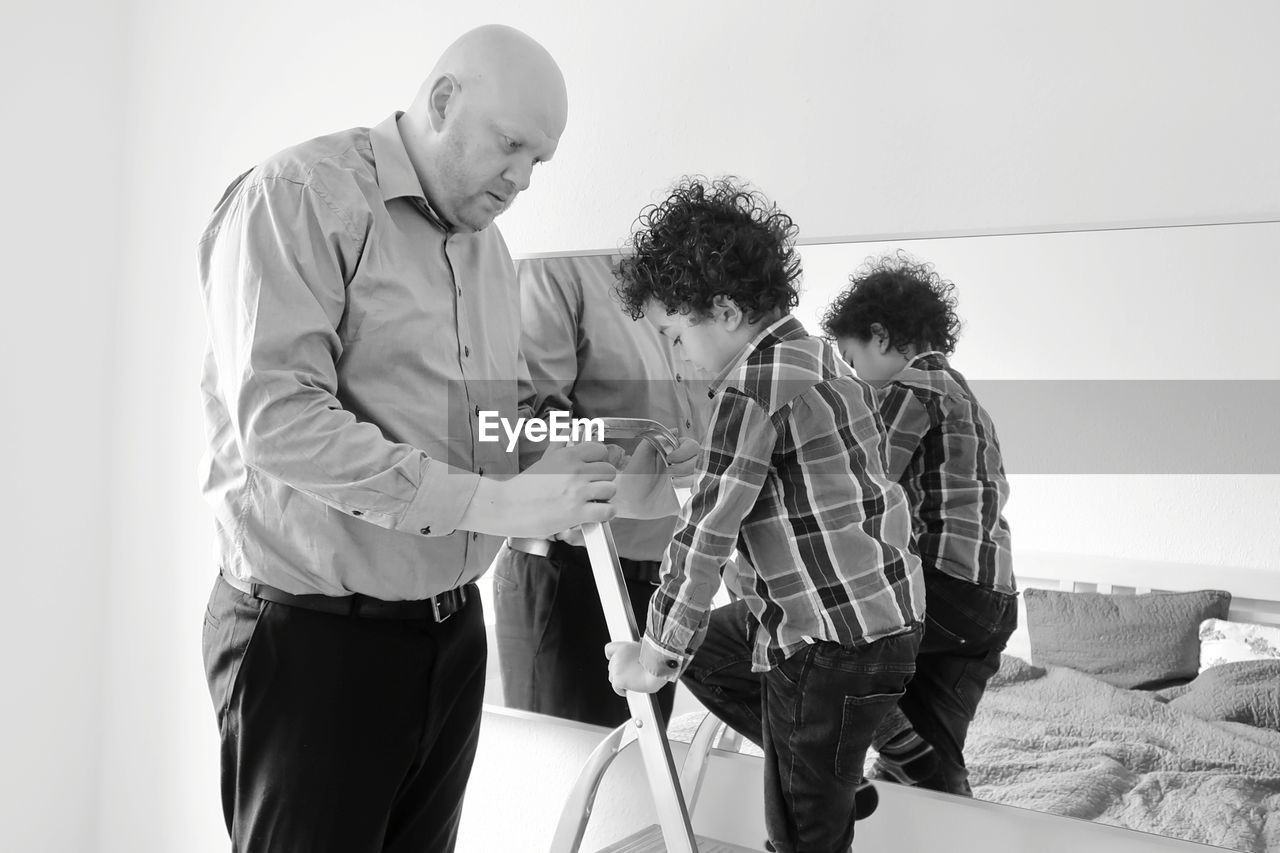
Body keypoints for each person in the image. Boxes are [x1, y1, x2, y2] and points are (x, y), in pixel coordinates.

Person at [197, 25, 620, 853]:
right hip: (314, 640)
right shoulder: (299, 194)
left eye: (541, 161)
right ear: (442, 100)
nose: (524, 179)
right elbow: (280, 422)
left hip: (451, 636)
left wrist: (569, 450)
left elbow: (482, 428)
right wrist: (494, 498)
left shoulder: (492, 253)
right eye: (512, 146)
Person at [604, 177, 925, 853]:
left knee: (799, 837)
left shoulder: (750, 390)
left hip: (829, 643)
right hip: (885, 623)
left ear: (722, 310)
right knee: (719, 653)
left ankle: (822, 780)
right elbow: (797, 483)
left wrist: (655, 653)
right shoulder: (819, 357)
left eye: (676, 333)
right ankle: (831, 771)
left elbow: (706, 535)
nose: (678, 353)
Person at [821, 252, 1017, 796]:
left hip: (946, 586)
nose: (852, 374)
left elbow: (860, 480)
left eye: (851, 359)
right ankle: (917, 770)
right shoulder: (961, 392)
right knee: (934, 770)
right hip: (991, 604)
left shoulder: (913, 386)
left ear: (880, 337)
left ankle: (892, 748)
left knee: (815, 634)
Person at [492, 253, 709, 727]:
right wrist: (625, 477)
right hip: (571, 571)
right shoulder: (558, 269)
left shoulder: (683, 274)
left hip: (663, 578)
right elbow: (517, 430)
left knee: (634, 778)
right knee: (570, 770)